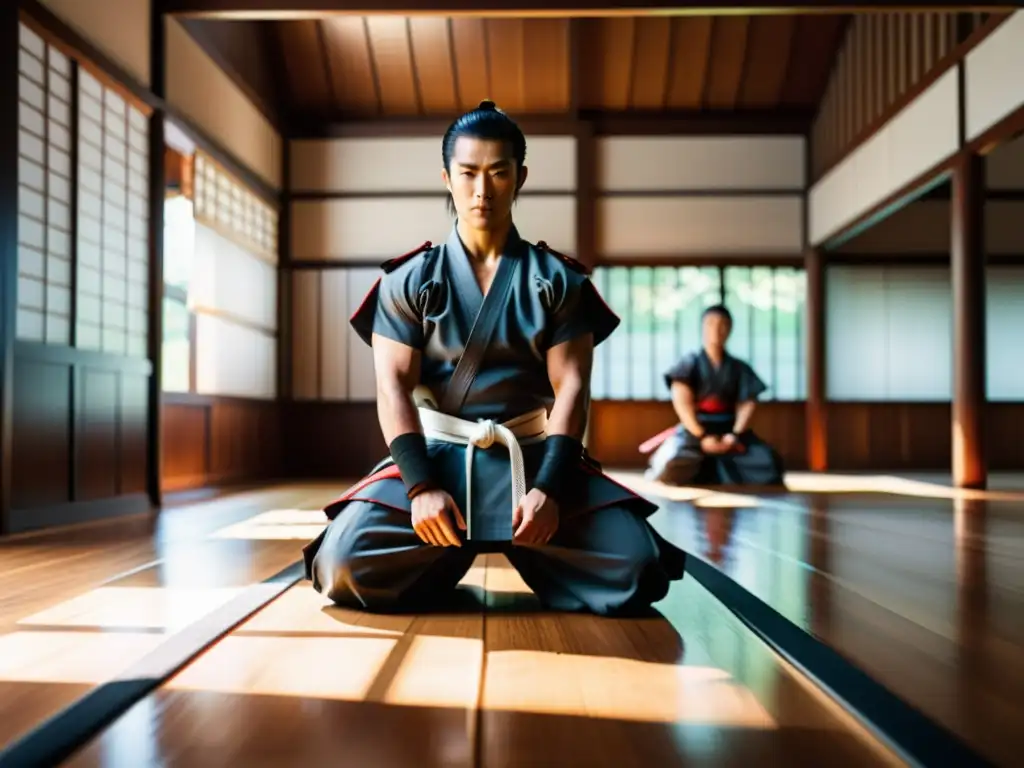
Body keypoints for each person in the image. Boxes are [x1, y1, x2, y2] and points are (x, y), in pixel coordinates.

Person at [301, 100, 687, 617]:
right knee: (342, 564)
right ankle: (442, 555)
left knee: (637, 566)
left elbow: (572, 386)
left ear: (520, 177)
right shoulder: (408, 280)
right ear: (446, 177)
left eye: (498, 173)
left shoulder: (558, 280)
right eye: (468, 173)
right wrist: (419, 487)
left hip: (531, 458)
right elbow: (392, 387)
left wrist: (550, 488)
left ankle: (519, 546)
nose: (482, 190)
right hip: (438, 460)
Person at [642, 305, 785, 487]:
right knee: (672, 462)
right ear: (702, 327)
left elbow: (747, 404)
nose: (716, 329)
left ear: (730, 329)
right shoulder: (689, 363)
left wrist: (734, 435)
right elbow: (682, 403)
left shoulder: (739, 367)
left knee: (769, 463)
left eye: (723, 324)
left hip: (730, 431)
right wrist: (701, 436)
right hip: (694, 432)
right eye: (710, 324)